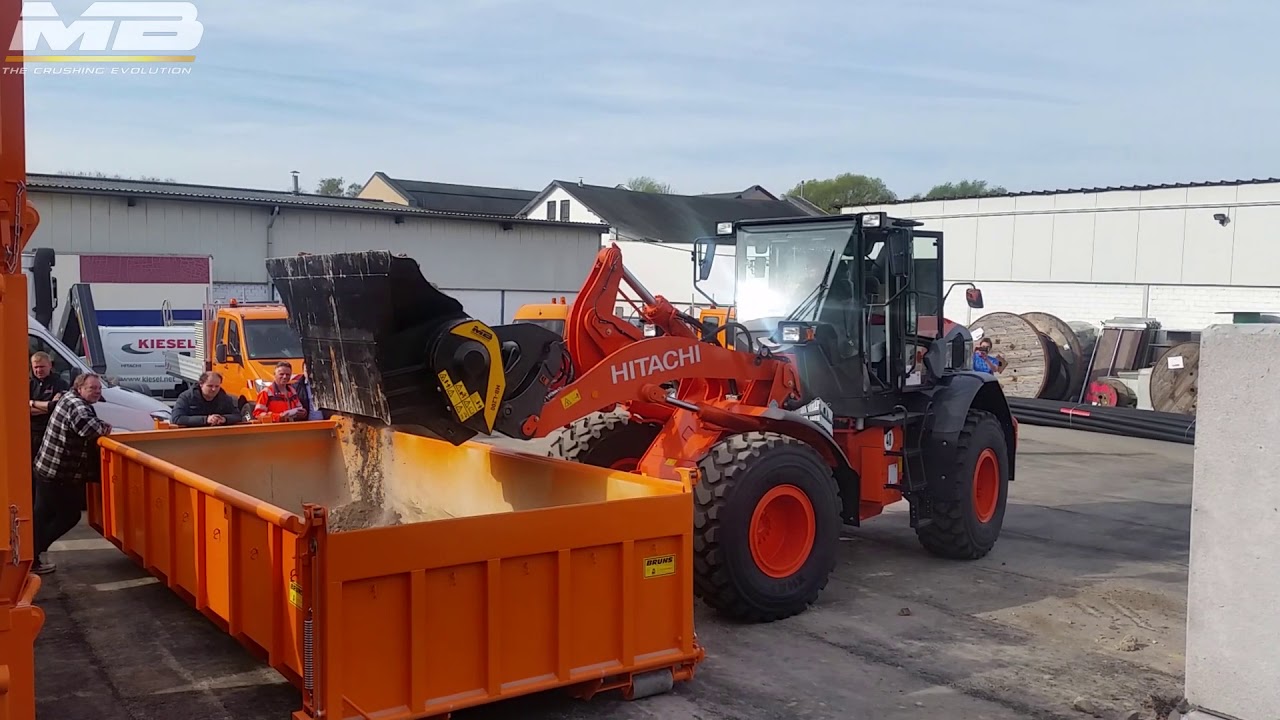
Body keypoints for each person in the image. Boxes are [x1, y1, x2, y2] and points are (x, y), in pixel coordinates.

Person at [32, 372, 112, 574]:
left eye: (99, 388)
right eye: (92, 388)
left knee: (41, 515)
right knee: (69, 515)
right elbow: (88, 427)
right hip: (57, 474)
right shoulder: (77, 405)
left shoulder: (67, 397)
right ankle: (33, 553)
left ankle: (28, 558)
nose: (96, 392)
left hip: (45, 468)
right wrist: (106, 426)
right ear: (79, 388)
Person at [172, 371, 244, 427]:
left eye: (217, 386)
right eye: (210, 386)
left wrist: (224, 419)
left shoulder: (224, 397)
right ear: (201, 384)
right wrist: (206, 420)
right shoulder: (186, 397)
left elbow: (238, 416)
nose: (214, 389)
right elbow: (177, 418)